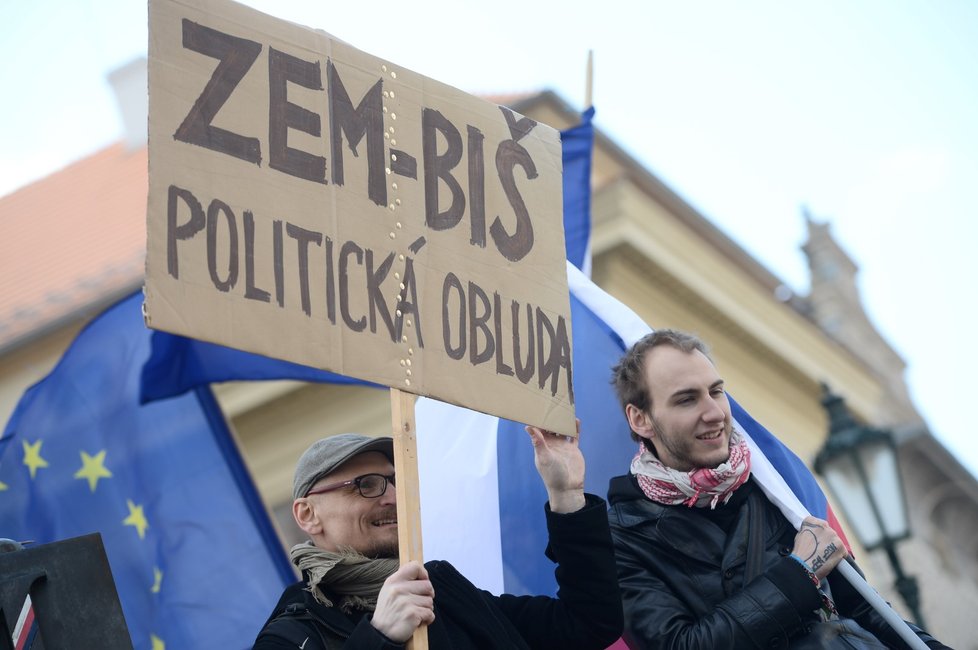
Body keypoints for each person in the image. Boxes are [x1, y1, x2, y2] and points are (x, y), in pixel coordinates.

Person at [607, 329, 949, 649]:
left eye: (716, 391)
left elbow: (865, 607)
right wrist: (800, 574)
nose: (714, 413)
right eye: (686, 400)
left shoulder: (774, 481)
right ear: (640, 419)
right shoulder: (619, 536)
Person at [253, 426, 623, 649]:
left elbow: (588, 623)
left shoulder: (438, 587)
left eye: (395, 481)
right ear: (308, 515)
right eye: (366, 485)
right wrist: (379, 638)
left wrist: (566, 495)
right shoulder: (293, 634)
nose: (394, 497)